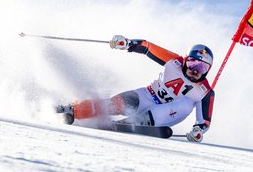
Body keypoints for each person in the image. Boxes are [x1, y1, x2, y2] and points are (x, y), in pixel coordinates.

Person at [56, 35, 215, 143]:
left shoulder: (205, 91)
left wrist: (197, 132)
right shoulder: (174, 62)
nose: (196, 70)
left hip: (166, 113)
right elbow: (147, 47)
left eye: (202, 68)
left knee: (186, 104)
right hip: (146, 96)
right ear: (186, 60)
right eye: (194, 64)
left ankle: (131, 123)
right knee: (113, 104)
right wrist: (127, 43)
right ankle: (72, 110)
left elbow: (204, 122)